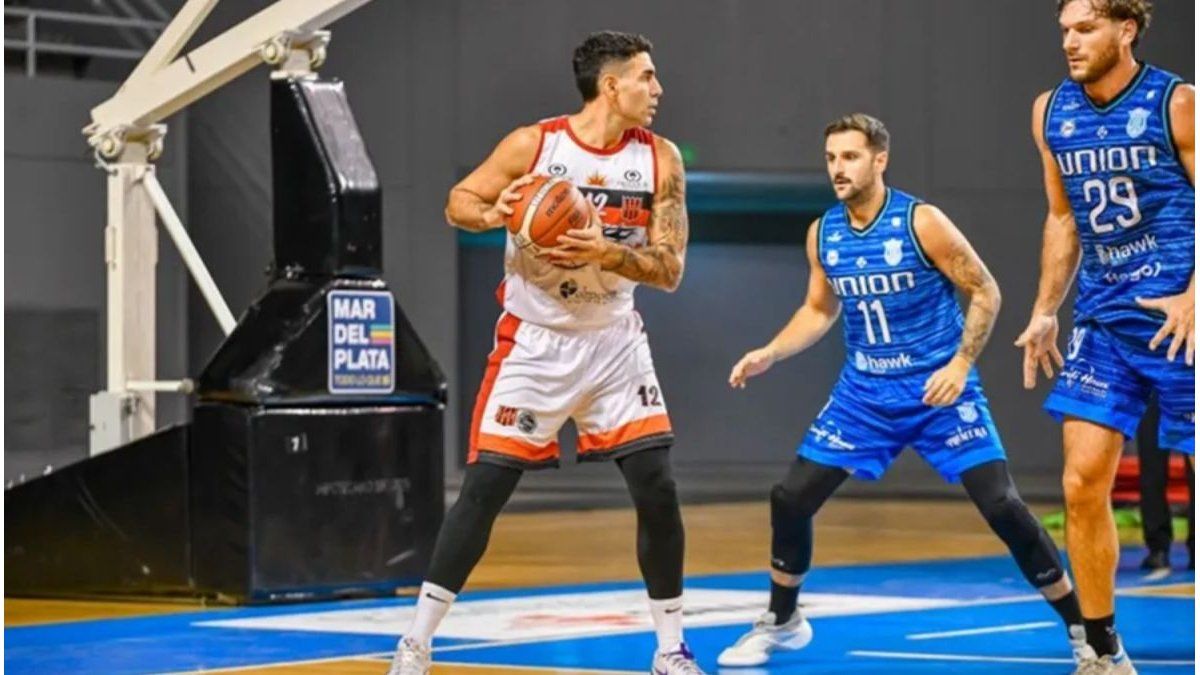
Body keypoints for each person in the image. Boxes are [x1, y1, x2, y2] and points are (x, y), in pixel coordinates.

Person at [717, 114, 1086, 669]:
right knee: (790, 498)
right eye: (831, 158)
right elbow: (818, 309)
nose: (838, 169)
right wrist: (771, 351)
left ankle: (1083, 626)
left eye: (850, 157)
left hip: (939, 390)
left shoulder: (921, 222)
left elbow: (985, 290)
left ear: (880, 160)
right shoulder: (823, 233)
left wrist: (961, 364)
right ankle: (783, 619)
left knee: (1003, 506)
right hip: (865, 396)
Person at [389, 30, 703, 675]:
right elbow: (459, 201)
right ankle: (416, 643)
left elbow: (670, 269)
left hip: (614, 341)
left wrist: (605, 252)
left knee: (658, 487)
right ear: (610, 85)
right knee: (485, 489)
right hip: (534, 342)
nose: (658, 89)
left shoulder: (661, 159)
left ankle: (671, 649)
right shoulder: (534, 145)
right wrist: (494, 213)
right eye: (646, 76)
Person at [1016, 0, 1194, 671]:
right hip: (1105, 319)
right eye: (1064, 29)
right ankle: (1101, 650)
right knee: (1080, 481)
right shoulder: (1050, 112)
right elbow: (1062, 218)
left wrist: (1196, 295)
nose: (1070, 40)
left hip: (1180, 318)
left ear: (1127, 30)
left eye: (1085, 28)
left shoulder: (1178, 103)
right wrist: (1045, 308)